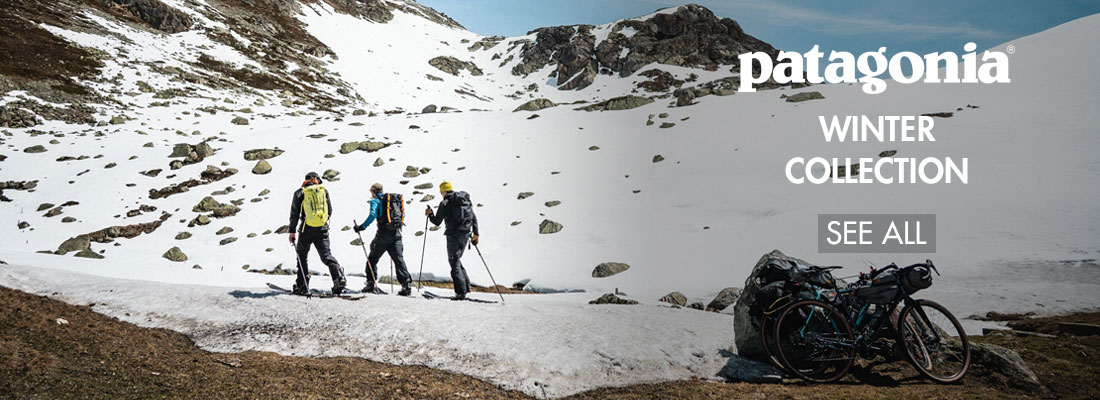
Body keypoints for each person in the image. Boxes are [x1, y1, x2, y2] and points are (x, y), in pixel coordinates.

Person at [289, 171, 346, 295]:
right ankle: (338, 277)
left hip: (306, 229)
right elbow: (330, 210)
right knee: (326, 255)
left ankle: (302, 284)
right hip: (322, 229)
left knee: (302, 256)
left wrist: (292, 231)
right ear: (316, 179)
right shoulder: (323, 191)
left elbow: (294, 214)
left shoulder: (300, 193)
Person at [354, 183, 412, 296]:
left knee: (372, 258)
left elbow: (372, 215)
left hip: (383, 235)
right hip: (396, 234)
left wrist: (361, 227)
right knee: (399, 260)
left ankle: (370, 283)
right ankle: (406, 285)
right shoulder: (392, 201)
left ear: (373, 192)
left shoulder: (376, 201)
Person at [426, 181, 479, 300]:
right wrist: (476, 234)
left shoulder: (445, 203)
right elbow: (473, 217)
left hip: (453, 236)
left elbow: (437, 221)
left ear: (443, 191)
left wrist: (430, 215)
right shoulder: (462, 201)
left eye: (441, 192)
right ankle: (466, 287)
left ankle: (460, 293)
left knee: (454, 262)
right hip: (465, 234)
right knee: (457, 259)